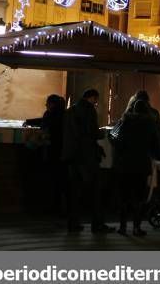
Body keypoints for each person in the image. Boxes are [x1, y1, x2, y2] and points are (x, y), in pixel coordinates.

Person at [62, 89, 114, 234]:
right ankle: (97, 225)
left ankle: (73, 224)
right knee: (96, 192)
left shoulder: (71, 110)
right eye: (96, 100)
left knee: (74, 192)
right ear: (93, 98)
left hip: (72, 157)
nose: (96, 103)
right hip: (87, 157)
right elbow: (92, 132)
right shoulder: (88, 110)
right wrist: (102, 133)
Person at [112, 99, 159, 236]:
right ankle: (136, 228)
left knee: (124, 196)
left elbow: (113, 136)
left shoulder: (124, 121)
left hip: (125, 164)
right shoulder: (150, 124)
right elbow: (155, 145)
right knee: (139, 197)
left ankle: (122, 227)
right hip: (141, 164)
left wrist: (120, 152)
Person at [24, 94, 66, 214]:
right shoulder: (65, 115)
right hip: (63, 152)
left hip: (51, 151)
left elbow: (44, 130)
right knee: (61, 181)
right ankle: (60, 207)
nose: (46, 105)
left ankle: (51, 206)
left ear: (52, 104)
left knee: (50, 179)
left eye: (47, 103)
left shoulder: (49, 115)